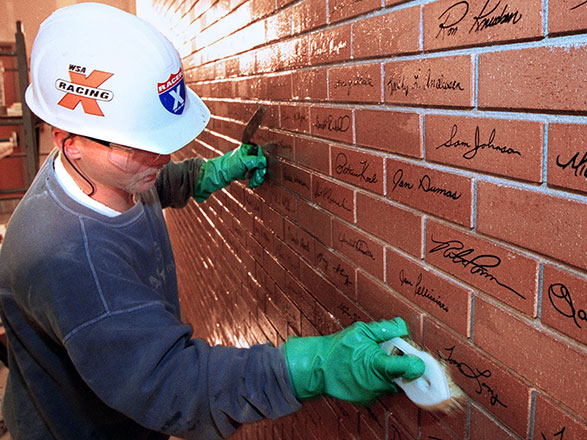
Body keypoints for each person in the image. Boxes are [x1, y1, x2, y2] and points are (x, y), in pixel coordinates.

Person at [0, 3, 424, 439]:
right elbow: (175, 385)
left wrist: (218, 170)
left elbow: (154, 182)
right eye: (140, 146)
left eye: (159, 139)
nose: (160, 157)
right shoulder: (66, 261)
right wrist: (312, 367)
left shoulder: (99, 169)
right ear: (68, 141)